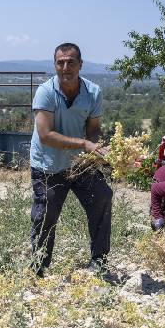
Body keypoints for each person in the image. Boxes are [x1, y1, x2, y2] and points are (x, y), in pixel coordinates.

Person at [29, 43, 112, 277]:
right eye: (60, 62)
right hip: (49, 165)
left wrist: (97, 147)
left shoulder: (93, 92)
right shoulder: (46, 92)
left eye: (71, 62)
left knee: (102, 197)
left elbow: (94, 129)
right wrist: (85, 144)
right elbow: (45, 135)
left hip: (80, 164)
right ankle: (38, 267)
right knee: (45, 214)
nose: (65, 67)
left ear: (80, 65)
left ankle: (99, 261)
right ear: (55, 65)